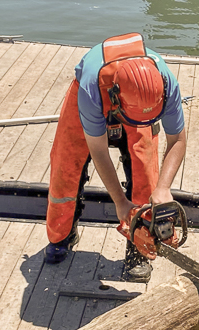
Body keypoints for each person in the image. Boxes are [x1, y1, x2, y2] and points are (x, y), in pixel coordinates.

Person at [45, 32, 187, 283]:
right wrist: (120, 202)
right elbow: (98, 151)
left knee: (146, 170)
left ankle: (140, 249)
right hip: (98, 93)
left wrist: (163, 188)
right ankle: (61, 235)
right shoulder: (91, 87)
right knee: (66, 164)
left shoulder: (166, 82)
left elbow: (178, 140)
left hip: (134, 102)